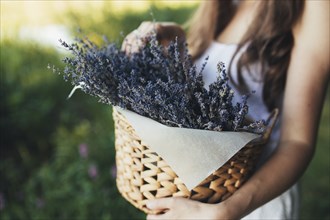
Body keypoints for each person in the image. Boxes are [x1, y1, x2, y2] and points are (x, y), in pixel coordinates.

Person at [122, 0, 329, 219]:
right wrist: (177, 40)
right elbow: (201, 95)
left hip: (254, 205)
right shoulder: (221, 5)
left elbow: (297, 143)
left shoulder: (313, 6)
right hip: (198, 198)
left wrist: (226, 211)